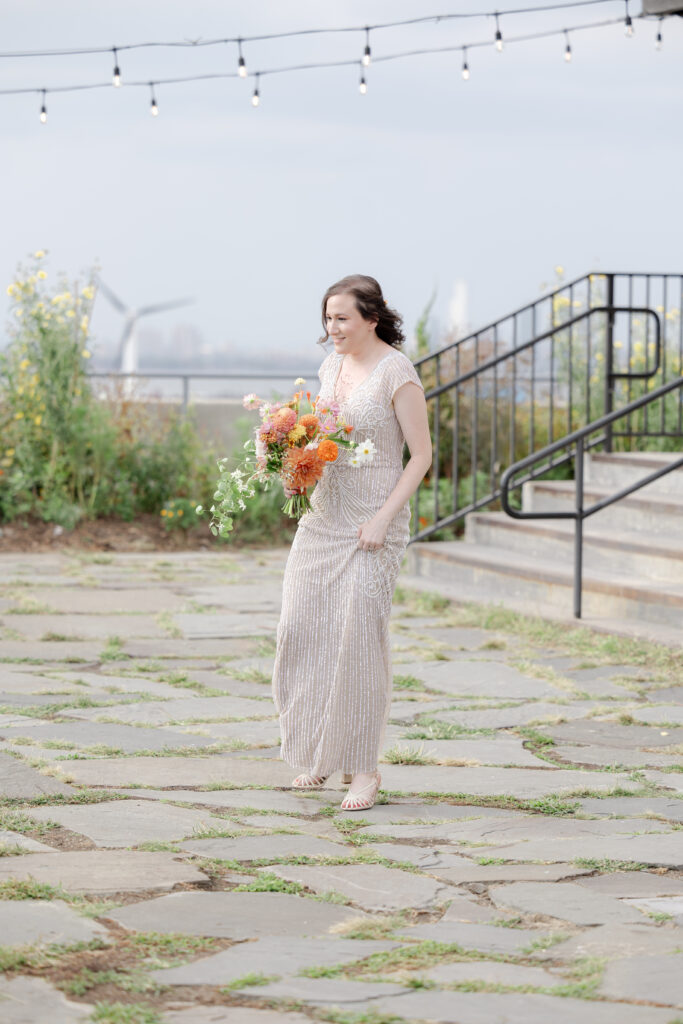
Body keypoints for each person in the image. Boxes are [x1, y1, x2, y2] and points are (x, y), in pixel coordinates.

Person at [271, 274, 432, 811]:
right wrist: (298, 469)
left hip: (373, 522)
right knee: (301, 628)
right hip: (324, 518)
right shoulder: (330, 366)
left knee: (359, 640)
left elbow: (422, 457)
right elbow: (323, 437)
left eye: (342, 318)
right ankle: (319, 752)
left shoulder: (397, 374)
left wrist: (385, 519)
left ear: (371, 318)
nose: (331, 327)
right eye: (327, 317)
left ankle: (363, 769)